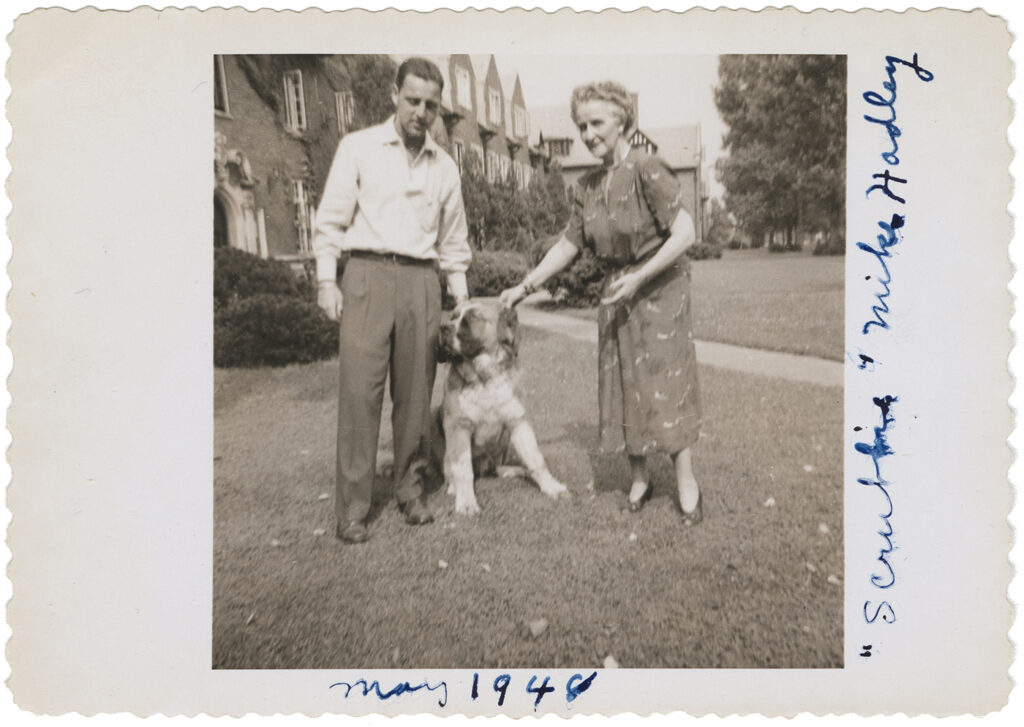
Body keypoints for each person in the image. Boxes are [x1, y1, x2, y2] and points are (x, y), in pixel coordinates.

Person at [500, 81, 703, 524]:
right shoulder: (587, 185)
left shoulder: (647, 167)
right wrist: (524, 287)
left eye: (596, 123)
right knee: (623, 384)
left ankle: (686, 480)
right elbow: (567, 245)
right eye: (581, 126)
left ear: (622, 120)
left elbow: (685, 232)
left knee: (666, 383)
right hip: (618, 291)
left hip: (659, 288)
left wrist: (640, 277)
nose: (588, 134)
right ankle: (640, 478)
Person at [313, 57, 471, 544]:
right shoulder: (358, 147)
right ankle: (353, 509)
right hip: (365, 276)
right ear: (393, 95)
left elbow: (454, 245)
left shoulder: (444, 167)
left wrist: (459, 301)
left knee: (415, 396)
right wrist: (326, 281)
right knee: (360, 393)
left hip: (421, 282)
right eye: (413, 100)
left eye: (431, 105)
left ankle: (409, 490)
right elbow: (331, 222)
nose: (421, 112)